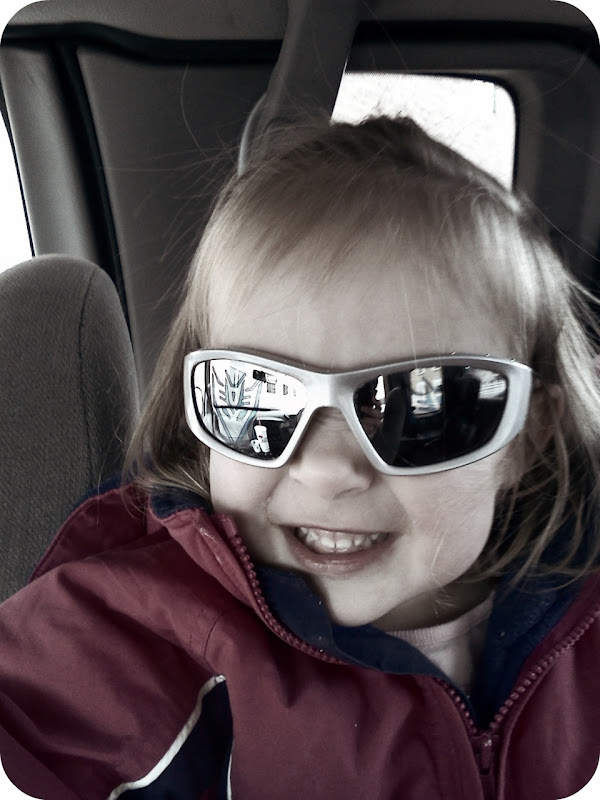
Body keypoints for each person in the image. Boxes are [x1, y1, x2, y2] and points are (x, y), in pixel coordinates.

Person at [1, 115, 600, 800]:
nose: (327, 470)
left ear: (525, 438)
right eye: (258, 394)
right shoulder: (128, 640)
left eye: (420, 407)